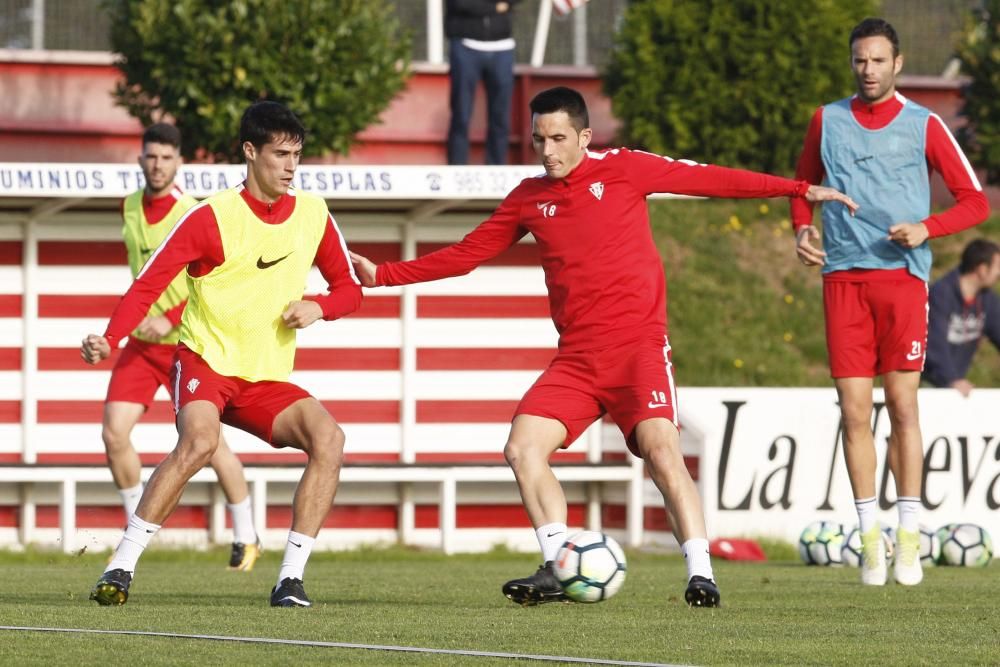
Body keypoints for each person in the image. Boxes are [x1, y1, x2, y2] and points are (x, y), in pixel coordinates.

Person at [351, 86, 856, 608]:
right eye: (538, 140)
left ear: (585, 137)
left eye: (558, 139)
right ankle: (555, 564)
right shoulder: (528, 198)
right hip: (577, 360)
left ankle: (701, 574)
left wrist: (798, 189)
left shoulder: (626, 168)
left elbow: (711, 178)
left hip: (637, 348)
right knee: (522, 448)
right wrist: (383, 275)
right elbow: (466, 254)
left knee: (662, 451)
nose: (547, 150)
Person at [81, 101, 363, 608]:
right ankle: (120, 566)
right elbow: (147, 286)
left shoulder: (314, 213)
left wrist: (320, 308)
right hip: (205, 361)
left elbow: (350, 289)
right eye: (280, 154)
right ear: (250, 152)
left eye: (297, 154)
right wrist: (111, 337)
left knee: (330, 438)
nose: (291, 167)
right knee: (200, 442)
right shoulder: (210, 217)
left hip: (264, 378)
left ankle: (289, 580)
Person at [791, 18, 989, 587]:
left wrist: (928, 228)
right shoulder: (825, 120)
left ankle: (908, 535)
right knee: (854, 413)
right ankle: (868, 538)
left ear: (897, 64)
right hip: (843, 282)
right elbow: (803, 188)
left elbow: (974, 202)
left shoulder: (924, 124)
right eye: (860, 60)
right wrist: (802, 230)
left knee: (903, 408)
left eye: (878, 60)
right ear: (852, 62)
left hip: (903, 282)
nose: (869, 70)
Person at [103, 122, 261, 573]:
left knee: (208, 445)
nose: (157, 164)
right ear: (140, 159)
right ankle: (137, 521)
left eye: (166, 158)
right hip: (142, 345)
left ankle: (246, 534)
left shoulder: (193, 211)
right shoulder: (128, 205)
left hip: (186, 343)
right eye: (151, 156)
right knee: (114, 432)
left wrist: (168, 317)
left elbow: (208, 281)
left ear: (179, 163)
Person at [446, 0, 520, 165]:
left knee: (500, 117)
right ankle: (457, 168)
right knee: (461, 114)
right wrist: (495, 7)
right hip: (465, 45)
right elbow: (460, 5)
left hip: (502, 47)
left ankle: (496, 168)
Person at [924, 239, 1000, 396]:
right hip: (927, 385)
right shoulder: (940, 294)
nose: (999, 273)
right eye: (997, 267)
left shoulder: (987, 300)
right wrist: (951, 379)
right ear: (982, 269)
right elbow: (934, 344)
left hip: (956, 386)